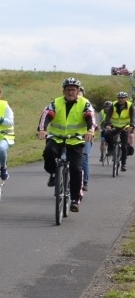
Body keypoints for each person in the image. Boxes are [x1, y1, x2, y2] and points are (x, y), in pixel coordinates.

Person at [37, 77, 95, 212]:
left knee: (76, 168)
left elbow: (90, 117)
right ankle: (53, 173)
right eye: (68, 90)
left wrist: (90, 130)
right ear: (63, 91)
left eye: (73, 90)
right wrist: (42, 129)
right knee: (48, 152)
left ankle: (75, 199)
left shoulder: (85, 103)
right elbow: (46, 115)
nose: (70, 92)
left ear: (78, 91)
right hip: (57, 138)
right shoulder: (56, 103)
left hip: (75, 140)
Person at [102, 91, 134, 170]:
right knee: (106, 134)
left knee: (124, 146)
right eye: (119, 98)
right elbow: (108, 115)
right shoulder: (113, 104)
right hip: (114, 126)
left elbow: (132, 117)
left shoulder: (130, 105)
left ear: (126, 99)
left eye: (122, 98)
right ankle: (110, 148)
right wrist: (108, 124)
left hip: (124, 127)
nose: (120, 100)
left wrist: (132, 125)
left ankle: (123, 164)